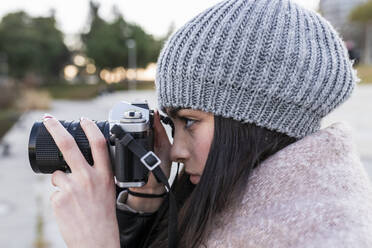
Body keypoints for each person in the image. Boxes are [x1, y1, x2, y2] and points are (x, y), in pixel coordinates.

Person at [43, 0, 372, 247]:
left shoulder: (326, 234)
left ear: (257, 120)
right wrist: (145, 203)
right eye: (173, 124)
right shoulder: (235, 196)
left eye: (190, 120)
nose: (176, 151)